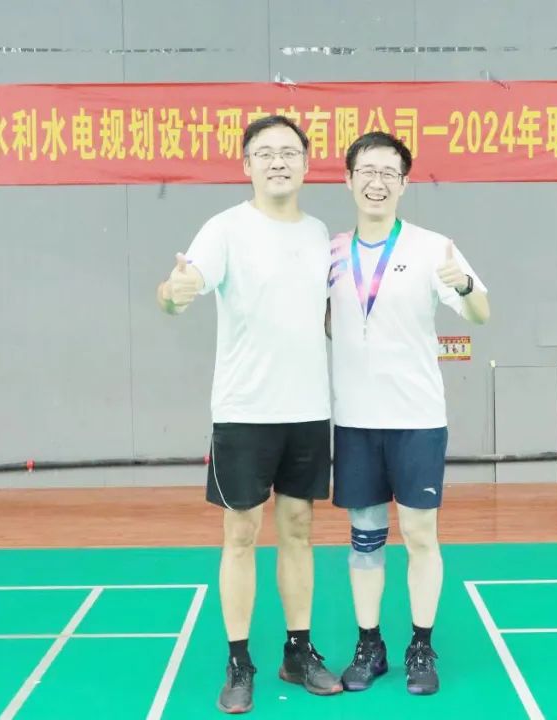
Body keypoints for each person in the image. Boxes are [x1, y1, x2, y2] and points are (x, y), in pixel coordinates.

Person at [156, 115, 343, 714]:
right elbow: (180, 288)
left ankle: (298, 651)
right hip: (244, 410)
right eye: (265, 152)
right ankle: (239, 661)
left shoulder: (320, 234)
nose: (278, 161)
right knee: (240, 533)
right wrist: (174, 291)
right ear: (246, 165)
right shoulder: (225, 229)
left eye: (289, 152)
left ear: (307, 164)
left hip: (308, 409)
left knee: (299, 530)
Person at [326, 131, 490, 695]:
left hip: (417, 417)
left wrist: (463, 284)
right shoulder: (330, 253)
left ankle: (421, 645)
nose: (376, 182)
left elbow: (481, 313)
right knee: (364, 536)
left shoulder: (432, 247)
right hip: (354, 420)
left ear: (404, 182)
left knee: (420, 533)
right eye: (366, 171)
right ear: (348, 180)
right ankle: (369, 646)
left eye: (388, 173)